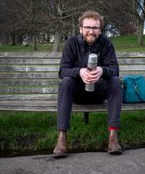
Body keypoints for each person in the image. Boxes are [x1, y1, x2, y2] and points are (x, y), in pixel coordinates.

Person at [53, 10, 123, 158]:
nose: (91, 31)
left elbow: (115, 69)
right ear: (81, 29)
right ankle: (62, 138)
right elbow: (63, 71)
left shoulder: (106, 43)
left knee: (116, 81)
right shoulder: (71, 43)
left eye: (95, 28)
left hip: (99, 92)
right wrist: (79, 72)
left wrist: (101, 71)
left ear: (100, 29)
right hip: (77, 93)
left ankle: (113, 137)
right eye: (87, 27)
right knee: (66, 82)